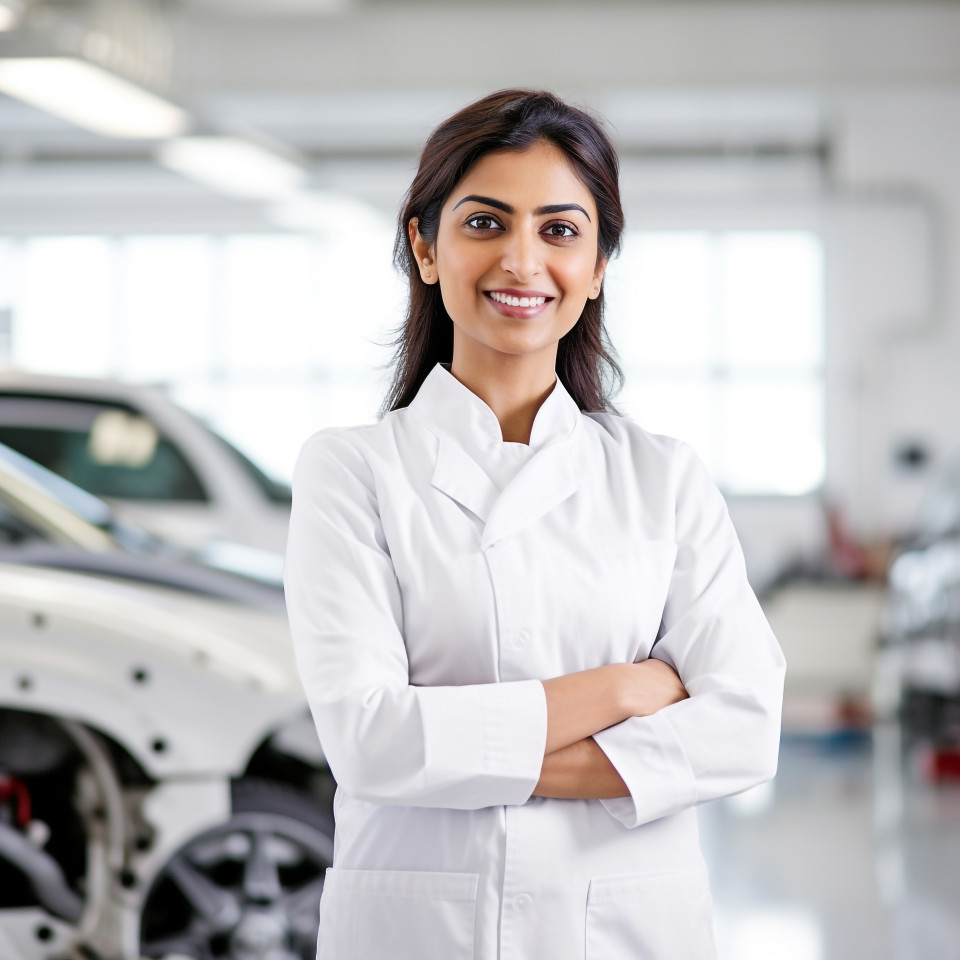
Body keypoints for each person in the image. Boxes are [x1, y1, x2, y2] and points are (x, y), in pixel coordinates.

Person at [283, 88, 786, 960]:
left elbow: (743, 728)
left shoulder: (662, 477)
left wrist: (450, 756)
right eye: (485, 223)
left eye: (559, 230)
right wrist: (621, 693)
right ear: (424, 247)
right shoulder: (352, 470)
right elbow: (369, 744)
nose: (522, 261)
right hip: (420, 929)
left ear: (597, 267)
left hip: (625, 928)